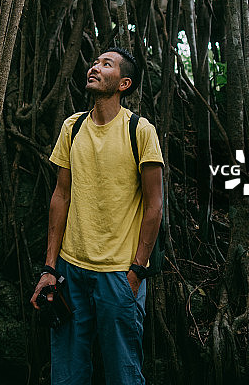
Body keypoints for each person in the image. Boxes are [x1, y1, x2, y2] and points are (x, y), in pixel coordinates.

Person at [30, 47, 164, 385]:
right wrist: (50, 267)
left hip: (119, 275)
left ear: (124, 83)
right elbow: (61, 196)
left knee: (123, 373)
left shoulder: (140, 130)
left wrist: (136, 270)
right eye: (94, 62)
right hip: (71, 271)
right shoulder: (72, 128)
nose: (95, 67)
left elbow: (154, 205)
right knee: (67, 374)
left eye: (107, 64)